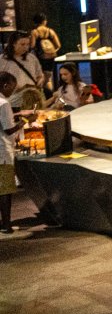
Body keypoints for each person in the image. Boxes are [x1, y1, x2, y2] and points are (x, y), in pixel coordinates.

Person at [1, 72, 26, 235]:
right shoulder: (3, 103)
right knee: (5, 189)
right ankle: (6, 225)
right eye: (12, 87)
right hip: (2, 151)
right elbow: (9, 129)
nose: (13, 91)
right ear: (5, 85)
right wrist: (25, 121)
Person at [0, 31, 45, 108]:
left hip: (32, 99)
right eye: (22, 44)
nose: (26, 47)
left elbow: (40, 75)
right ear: (13, 44)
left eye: (27, 44)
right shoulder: (2, 60)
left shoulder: (31, 58)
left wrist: (40, 81)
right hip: (14, 102)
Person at [29, 13, 61, 87]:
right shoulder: (50, 31)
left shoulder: (34, 32)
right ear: (44, 21)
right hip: (51, 57)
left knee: (40, 76)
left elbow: (32, 45)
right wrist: (52, 51)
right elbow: (58, 45)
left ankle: (41, 93)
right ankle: (49, 94)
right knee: (48, 78)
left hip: (40, 57)